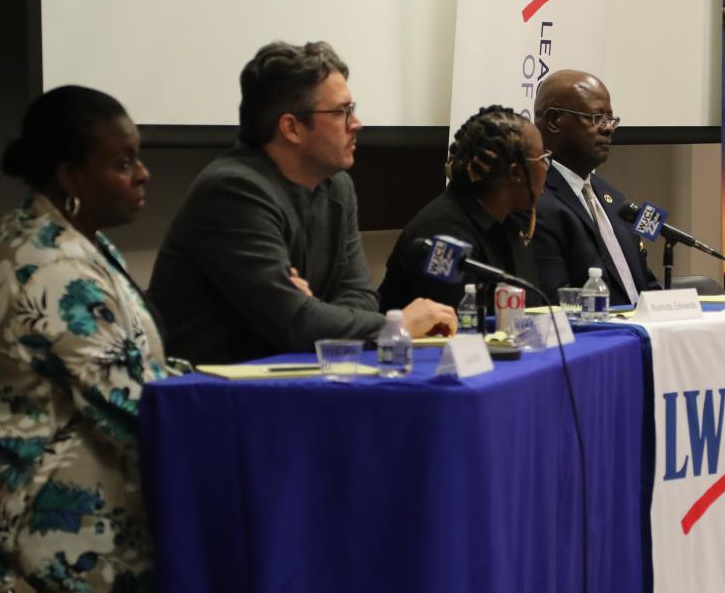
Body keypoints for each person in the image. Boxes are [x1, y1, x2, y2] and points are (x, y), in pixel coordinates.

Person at [0, 86, 174, 593]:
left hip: (87, 451)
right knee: (214, 535)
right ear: (71, 174)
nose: (143, 174)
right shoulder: (48, 264)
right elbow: (127, 411)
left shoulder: (74, 235)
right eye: (124, 161)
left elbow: (136, 368)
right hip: (34, 483)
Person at [148, 41, 455, 364]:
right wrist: (398, 325)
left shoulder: (337, 186)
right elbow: (294, 322)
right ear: (291, 127)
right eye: (341, 112)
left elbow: (360, 298)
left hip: (291, 377)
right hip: (211, 392)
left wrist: (313, 312)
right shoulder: (234, 190)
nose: (356, 123)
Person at [379, 105, 548, 310]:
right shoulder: (441, 232)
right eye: (543, 160)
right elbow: (452, 323)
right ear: (515, 173)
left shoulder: (510, 224)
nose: (546, 168)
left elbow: (530, 309)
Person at [531, 70, 659, 305]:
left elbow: (645, 285)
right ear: (554, 120)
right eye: (596, 117)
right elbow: (554, 304)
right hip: (595, 337)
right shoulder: (535, 201)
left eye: (610, 118)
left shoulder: (614, 199)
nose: (608, 128)